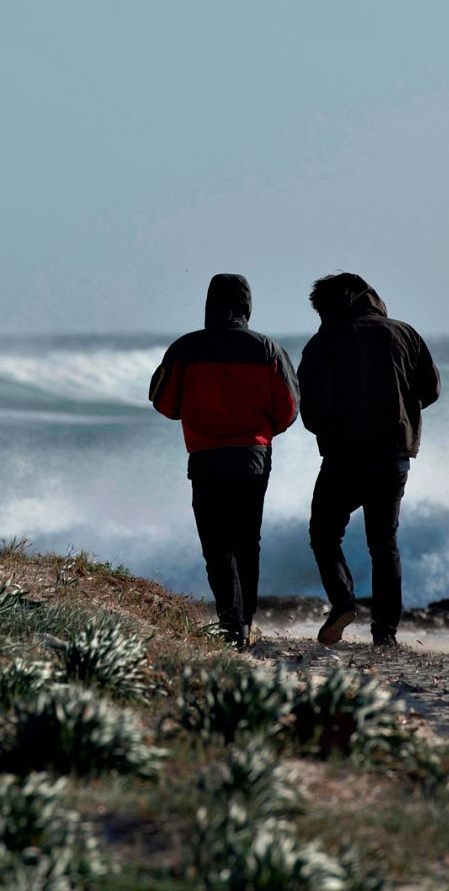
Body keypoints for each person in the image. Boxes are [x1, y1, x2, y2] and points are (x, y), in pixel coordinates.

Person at [150, 274, 299, 649]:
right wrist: (261, 432)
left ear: (209, 303)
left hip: (206, 458)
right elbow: (290, 408)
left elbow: (163, 401)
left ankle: (230, 623)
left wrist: (199, 416)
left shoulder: (186, 348)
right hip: (252, 456)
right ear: (247, 305)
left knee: (216, 546)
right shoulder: (268, 348)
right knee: (248, 541)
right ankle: (245, 621)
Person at [299, 272, 441, 647]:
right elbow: (431, 389)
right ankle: (386, 633)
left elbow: (312, 411)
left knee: (324, 534)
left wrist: (333, 430)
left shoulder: (323, 342)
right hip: (393, 456)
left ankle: (343, 602)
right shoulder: (404, 333)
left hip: (344, 457)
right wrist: (401, 410)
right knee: (384, 544)